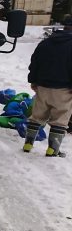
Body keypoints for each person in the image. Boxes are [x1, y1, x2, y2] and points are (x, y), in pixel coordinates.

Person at [23, 15, 72, 156]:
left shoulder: (46, 42)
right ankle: (52, 149)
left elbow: (35, 63)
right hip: (64, 90)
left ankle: (28, 144)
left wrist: (33, 81)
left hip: (42, 87)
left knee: (37, 116)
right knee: (60, 120)